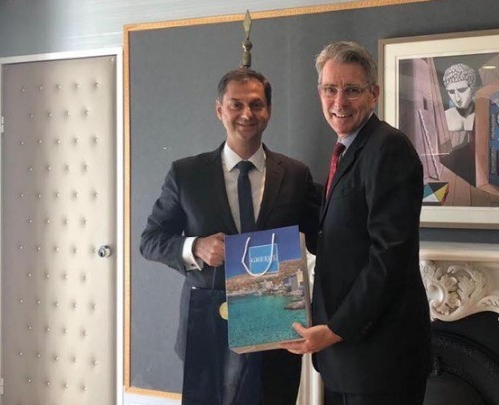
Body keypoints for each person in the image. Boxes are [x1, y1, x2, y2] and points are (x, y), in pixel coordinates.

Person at [140, 68, 320, 405]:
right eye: (236, 105)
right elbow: (150, 240)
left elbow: (318, 237)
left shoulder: (296, 175)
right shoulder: (186, 174)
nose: (246, 114)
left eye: (256, 104)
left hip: (274, 315)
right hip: (210, 319)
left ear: (269, 110)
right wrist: (196, 246)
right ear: (219, 110)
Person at [281, 41, 432, 405]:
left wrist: (334, 329)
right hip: (348, 357)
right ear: (320, 93)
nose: (339, 101)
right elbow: (337, 241)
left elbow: (389, 258)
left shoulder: (388, 148)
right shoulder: (349, 150)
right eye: (330, 89)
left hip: (379, 359)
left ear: (373, 94)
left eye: (351, 90)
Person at [442, 62, 477, 133]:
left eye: (462, 90)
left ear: (472, 89)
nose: (457, 98)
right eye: (451, 92)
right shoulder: (444, 117)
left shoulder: (484, 112)